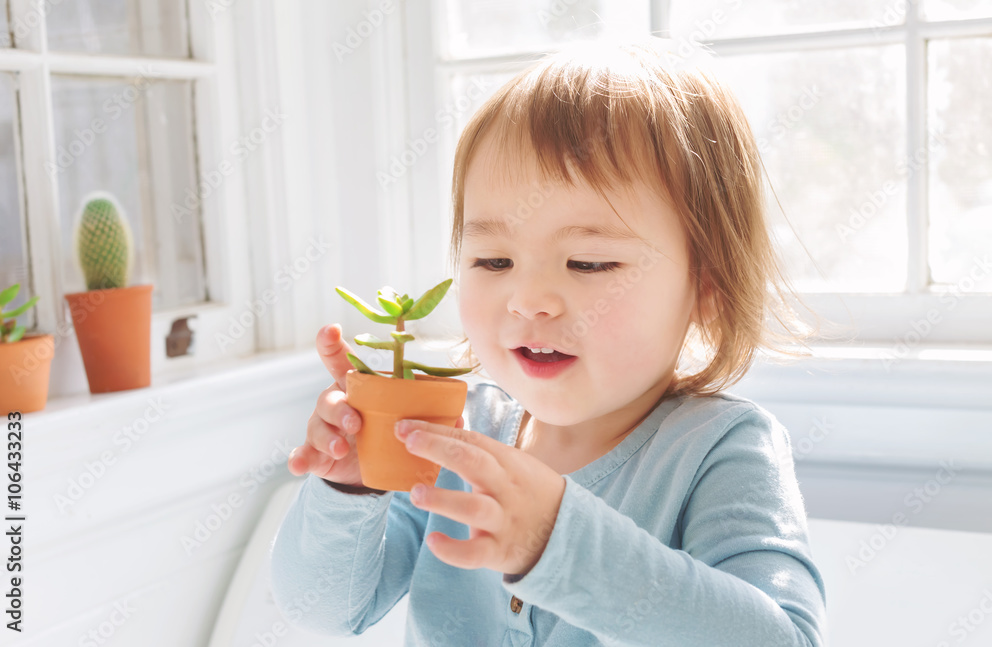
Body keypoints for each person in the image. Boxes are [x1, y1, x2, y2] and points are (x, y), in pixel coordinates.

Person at [271, 36, 827, 646]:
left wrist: (558, 546)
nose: (528, 298)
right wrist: (351, 487)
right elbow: (322, 613)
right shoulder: (455, 435)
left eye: (588, 263)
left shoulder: (720, 452)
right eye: (493, 259)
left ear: (707, 286)